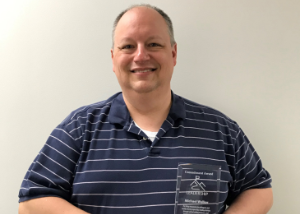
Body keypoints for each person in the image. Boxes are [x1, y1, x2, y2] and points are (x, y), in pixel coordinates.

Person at [18, 4, 273, 214]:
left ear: (173, 54)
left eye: (153, 44)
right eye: (128, 46)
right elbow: (31, 202)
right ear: (113, 58)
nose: (141, 56)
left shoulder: (220, 129)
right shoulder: (78, 128)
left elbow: (259, 188)